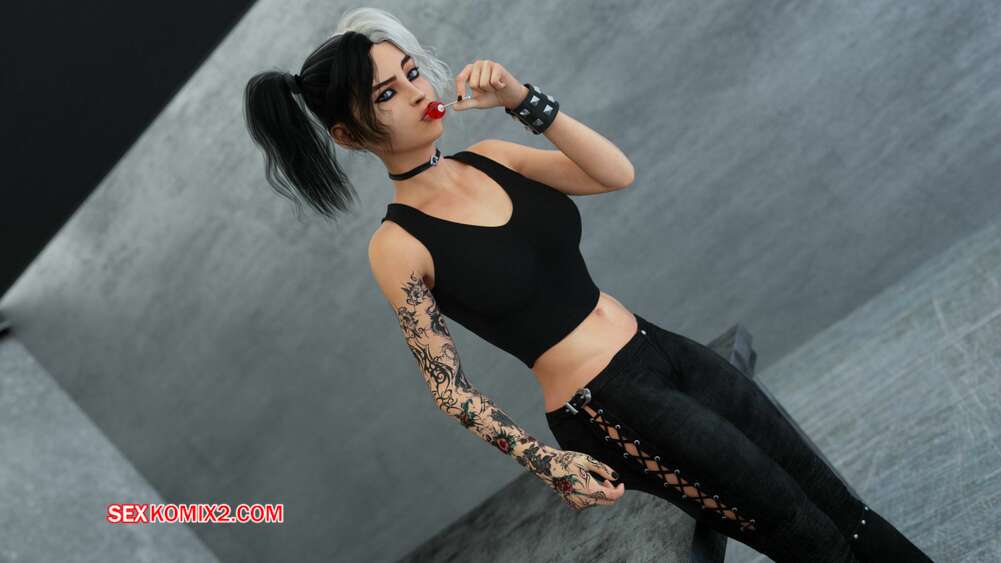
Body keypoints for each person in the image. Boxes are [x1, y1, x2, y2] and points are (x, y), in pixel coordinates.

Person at [243, 7, 934, 563]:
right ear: (348, 136)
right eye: (387, 94)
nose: (421, 92)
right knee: (802, 534)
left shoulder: (492, 157)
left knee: (839, 507)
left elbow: (614, 173)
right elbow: (449, 389)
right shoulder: (397, 245)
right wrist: (547, 462)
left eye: (411, 71)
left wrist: (521, 99)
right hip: (608, 406)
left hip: (659, 347)